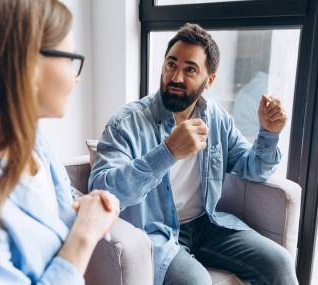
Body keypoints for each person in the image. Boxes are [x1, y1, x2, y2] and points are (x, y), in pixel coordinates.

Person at [89, 23, 298, 285]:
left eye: (190, 69)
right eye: (171, 64)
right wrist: (167, 153)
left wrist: (269, 134)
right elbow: (102, 191)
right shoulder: (126, 123)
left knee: (279, 262)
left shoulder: (217, 119)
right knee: (196, 281)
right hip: (154, 232)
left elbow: (253, 168)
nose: (176, 77)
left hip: (206, 224)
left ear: (209, 80)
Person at [0, 0, 119, 284]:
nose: (75, 78)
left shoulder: (32, 141)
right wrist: (84, 236)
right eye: (70, 59)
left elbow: (49, 207)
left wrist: (87, 206)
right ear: (28, 63)